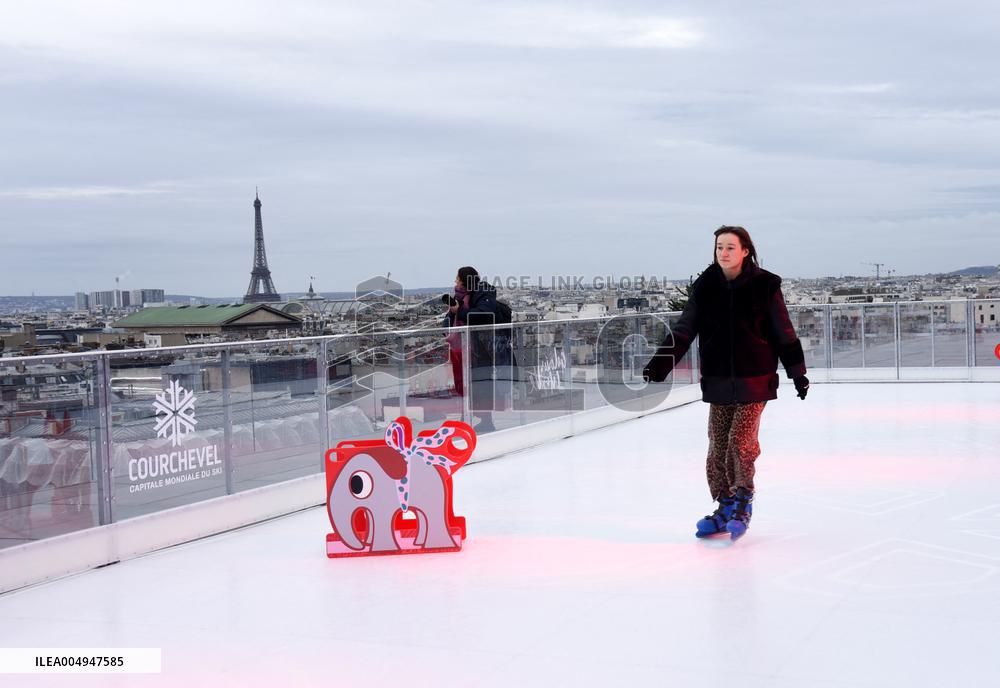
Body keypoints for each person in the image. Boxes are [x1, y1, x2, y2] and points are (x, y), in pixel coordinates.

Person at [642, 226, 809, 541]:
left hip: (755, 379)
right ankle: (725, 505)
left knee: (740, 442)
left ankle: (743, 502)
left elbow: (783, 331)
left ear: (745, 251)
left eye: (731, 247)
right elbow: (684, 329)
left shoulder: (765, 285)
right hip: (718, 380)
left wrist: (797, 373)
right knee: (717, 446)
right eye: (720, 247)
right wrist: (659, 364)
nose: (724, 253)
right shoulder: (706, 286)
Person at [448, 267, 513, 433]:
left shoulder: (483, 293)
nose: (455, 281)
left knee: (479, 385)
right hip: (467, 347)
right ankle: (474, 419)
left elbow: (482, 315)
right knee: (468, 384)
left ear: (464, 280)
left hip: (482, 347)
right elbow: (451, 318)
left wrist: (459, 311)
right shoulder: (460, 296)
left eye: (457, 278)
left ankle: (481, 420)